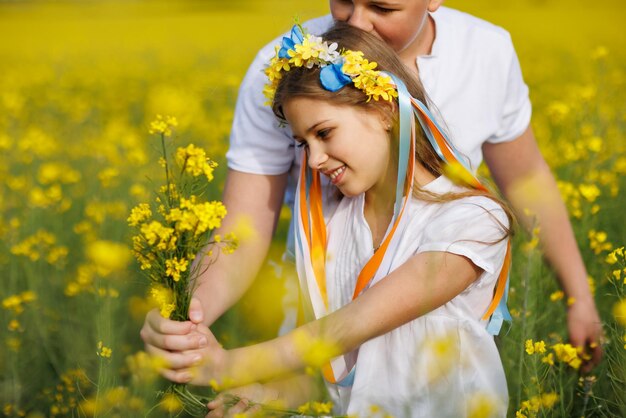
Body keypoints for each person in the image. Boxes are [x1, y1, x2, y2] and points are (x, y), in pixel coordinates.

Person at [140, 0, 602, 382]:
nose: (357, 22)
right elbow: (243, 229)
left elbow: (525, 182)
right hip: (315, 354)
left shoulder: (486, 55)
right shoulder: (286, 66)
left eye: (382, 6)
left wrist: (579, 297)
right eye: (342, 0)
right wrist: (189, 317)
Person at [163, 23, 516, 417]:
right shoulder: (331, 222)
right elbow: (328, 372)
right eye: (303, 143)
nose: (313, 160)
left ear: (383, 110)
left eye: (325, 133)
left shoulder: (472, 219)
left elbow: (349, 327)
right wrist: (267, 397)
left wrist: (231, 365)